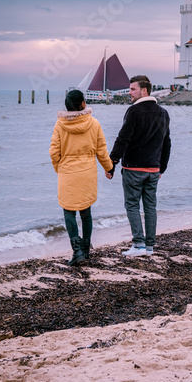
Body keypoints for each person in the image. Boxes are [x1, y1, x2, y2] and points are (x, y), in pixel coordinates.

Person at [106, 75, 171, 256]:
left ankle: (139, 245)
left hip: (134, 168)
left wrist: (111, 164)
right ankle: (149, 247)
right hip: (153, 169)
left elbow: (122, 140)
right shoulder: (163, 113)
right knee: (150, 206)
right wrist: (162, 168)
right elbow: (166, 143)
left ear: (144, 91)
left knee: (132, 205)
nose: (129, 92)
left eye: (133, 89)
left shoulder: (133, 111)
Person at [49, 89, 113, 266]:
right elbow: (101, 150)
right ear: (83, 103)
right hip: (87, 172)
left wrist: (59, 169)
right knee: (86, 211)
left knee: (68, 210)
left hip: (67, 172)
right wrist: (109, 168)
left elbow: (54, 152)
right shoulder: (94, 123)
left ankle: (76, 251)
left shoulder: (60, 125)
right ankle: (86, 250)